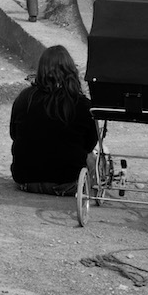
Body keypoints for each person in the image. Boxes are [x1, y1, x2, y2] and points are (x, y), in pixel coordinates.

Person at [9, 45, 98, 196]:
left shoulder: (25, 97)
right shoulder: (82, 104)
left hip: (26, 180)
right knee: (94, 156)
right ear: (71, 71)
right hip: (67, 182)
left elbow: (14, 134)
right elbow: (89, 144)